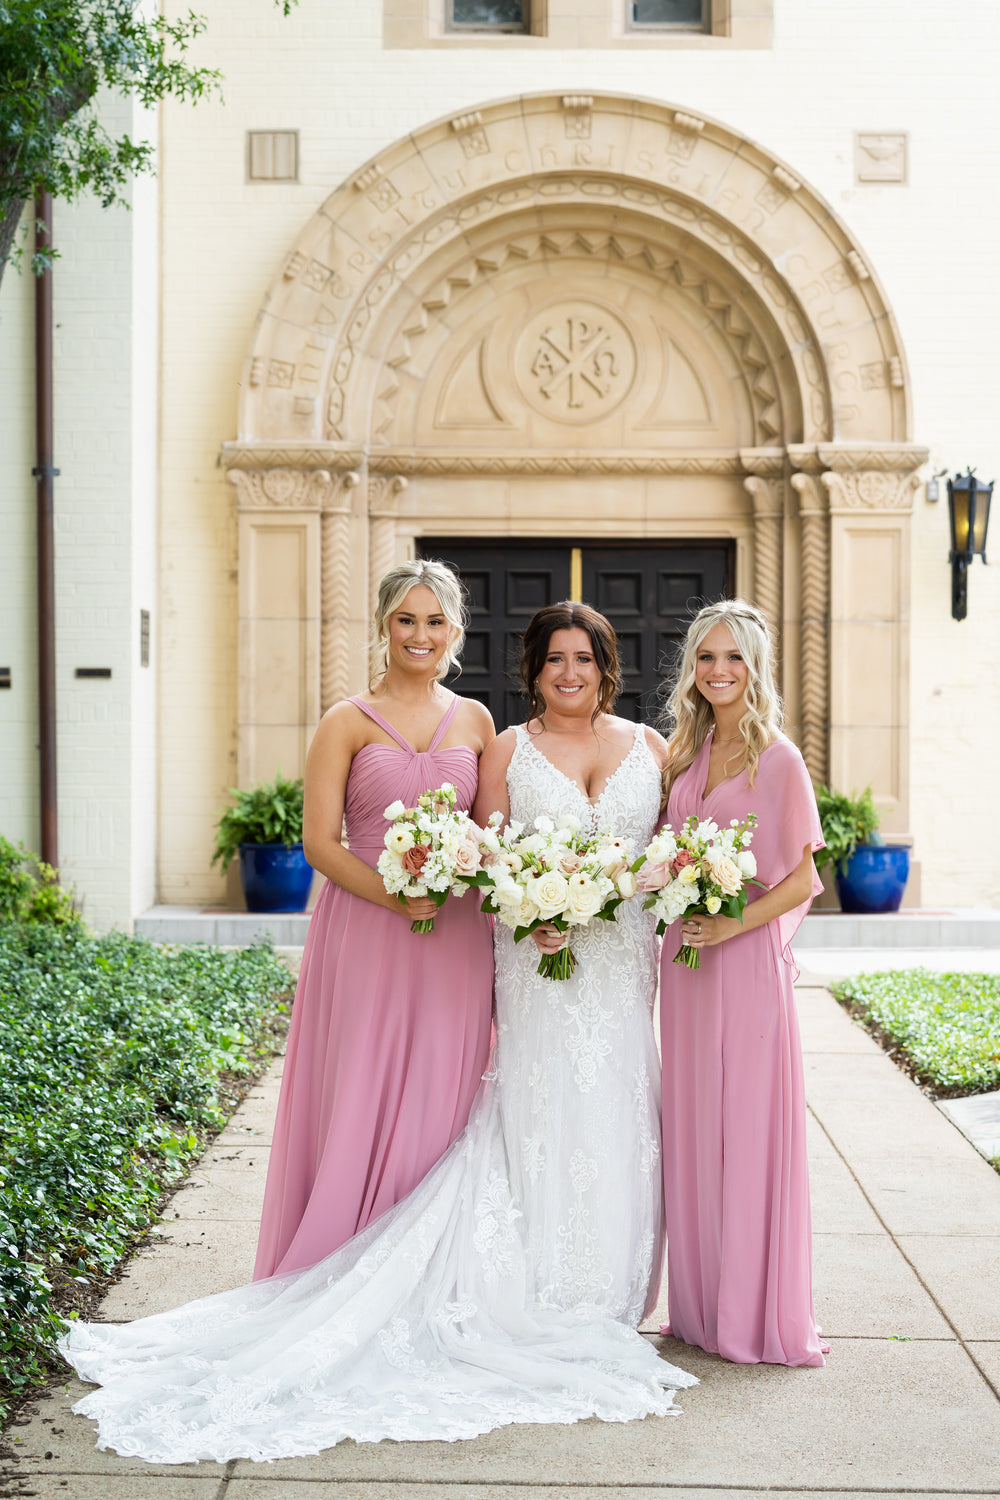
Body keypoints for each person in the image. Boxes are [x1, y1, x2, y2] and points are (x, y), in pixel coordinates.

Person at [58, 601, 694, 1464]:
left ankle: (607, 1297)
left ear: (608, 666)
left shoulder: (652, 749)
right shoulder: (502, 745)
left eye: (584, 658)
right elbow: (495, 851)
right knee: (536, 1120)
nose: (569, 673)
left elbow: (672, 849)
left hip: (619, 974)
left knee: (620, 1122)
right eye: (554, 660)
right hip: (538, 969)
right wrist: (534, 913)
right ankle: (534, 1289)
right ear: (532, 670)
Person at [253, 558, 495, 1279]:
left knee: (444, 1088)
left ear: (454, 630)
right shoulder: (345, 721)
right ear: (385, 625)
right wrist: (395, 895)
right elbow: (319, 843)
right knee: (361, 1081)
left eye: (434, 620)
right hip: (364, 926)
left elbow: (490, 837)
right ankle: (342, 1251)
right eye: (405, 619)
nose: (420, 634)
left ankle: (423, 1267)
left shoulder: (477, 721)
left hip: (455, 937)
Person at [657, 599, 828, 1367]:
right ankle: (698, 1312)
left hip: (744, 961)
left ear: (755, 668)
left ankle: (754, 1315)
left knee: (747, 1128)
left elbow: (802, 881)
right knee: (695, 1125)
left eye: (733, 658)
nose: (719, 671)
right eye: (706, 658)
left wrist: (732, 924)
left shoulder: (778, 759)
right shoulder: (685, 752)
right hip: (688, 966)